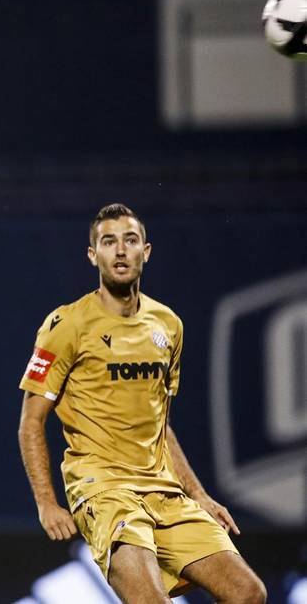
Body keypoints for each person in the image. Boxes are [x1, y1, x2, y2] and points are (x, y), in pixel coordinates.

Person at [17, 204, 266, 604]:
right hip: (104, 492)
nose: (120, 250)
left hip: (164, 492)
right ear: (92, 255)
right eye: (108, 242)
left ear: (145, 252)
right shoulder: (65, 325)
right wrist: (46, 503)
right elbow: (31, 421)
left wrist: (199, 494)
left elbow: (160, 424)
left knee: (248, 593)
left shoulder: (168, 324)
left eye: (130, 240)